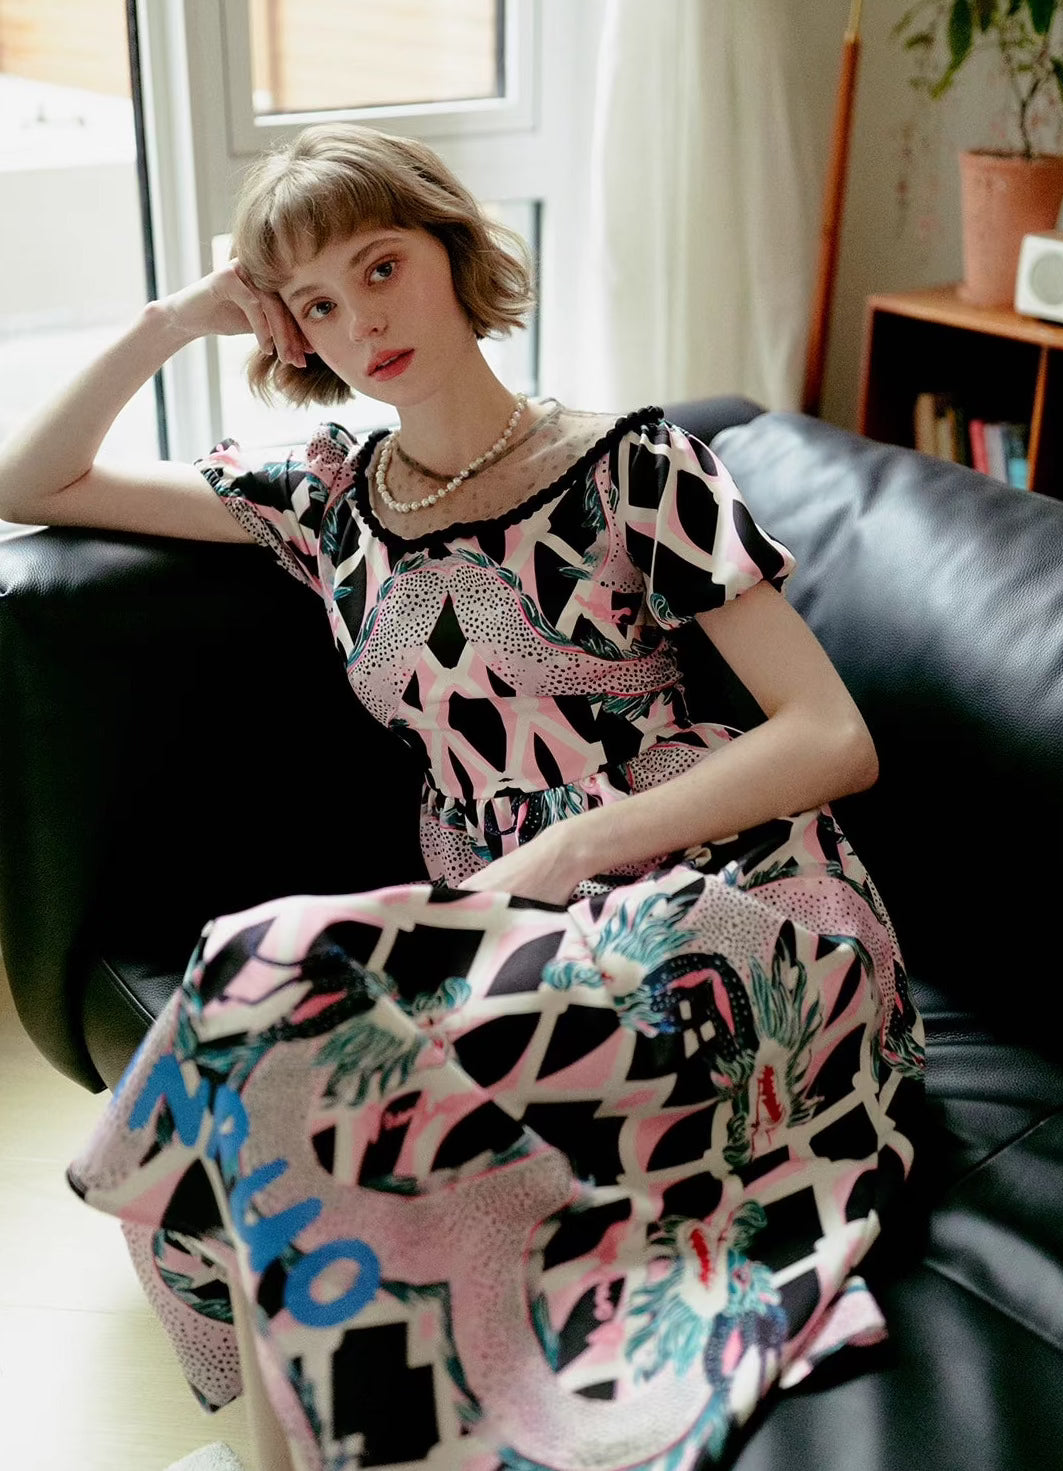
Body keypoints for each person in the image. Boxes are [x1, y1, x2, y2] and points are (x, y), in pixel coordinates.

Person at [0, 124, 924, 1471]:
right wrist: (181, 317)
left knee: (266, 976)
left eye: (381, 268)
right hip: (509, 926)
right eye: (317, 303)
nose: (360, 323)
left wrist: (572, 851)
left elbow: (834, 737)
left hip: (738, 906)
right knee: (267, 1039)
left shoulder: (632, 465)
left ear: (449, 247)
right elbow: (25, 480)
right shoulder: (326, 501)